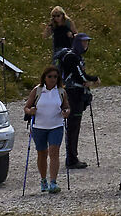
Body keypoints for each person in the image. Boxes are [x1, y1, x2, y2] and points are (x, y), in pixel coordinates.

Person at [25, 65, 69, 194]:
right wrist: (30, 111)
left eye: (55, 77)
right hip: (39, 127)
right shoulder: (37, 91)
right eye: (50, 76)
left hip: (56, 126)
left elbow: (66, 106)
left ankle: (53, 182)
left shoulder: (61, 91)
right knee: (42, 153)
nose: (52, 79)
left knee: (54, 152)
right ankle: (43, 179)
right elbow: (27, 107)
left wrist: (66, 112)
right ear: (44, 77)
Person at [56, 31, 95, 171]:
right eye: (83, 42)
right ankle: (71, 159)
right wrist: (94, 79)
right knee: (73, 127)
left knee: (74, 126)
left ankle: (72, 157)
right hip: (73, 94)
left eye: (87, 42)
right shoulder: (73, 57)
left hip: (75, 93)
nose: (85, 44)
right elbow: (80, 76)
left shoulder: (74, 56)